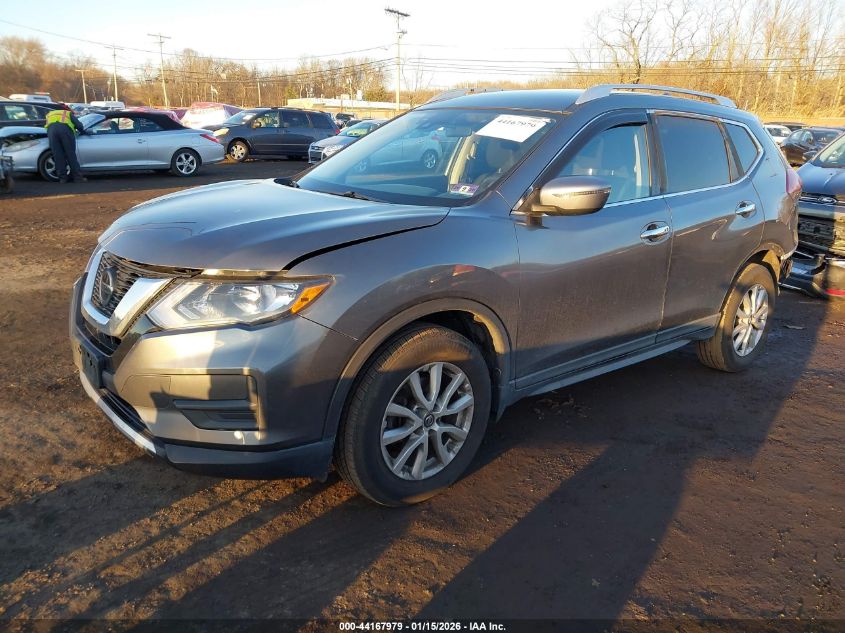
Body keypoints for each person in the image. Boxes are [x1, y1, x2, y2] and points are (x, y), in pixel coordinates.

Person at [44, 104, 86, 183]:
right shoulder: (67, 113)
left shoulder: (49, 114)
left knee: (58, 155)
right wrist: (82, 131)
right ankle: (78, 177)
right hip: (65, 131)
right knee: (70, 155)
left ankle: (63, 178)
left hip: (52, 133)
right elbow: (79, 126)